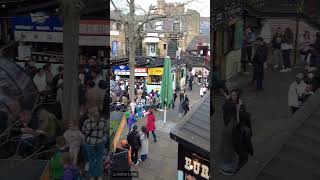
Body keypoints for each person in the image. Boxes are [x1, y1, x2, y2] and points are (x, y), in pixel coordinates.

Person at [81, 107, 107, 180]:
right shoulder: (103, 121)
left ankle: (92, 175)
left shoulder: (86, 122)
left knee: (91, 159)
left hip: (89, 144)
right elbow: (105, 131)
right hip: (100, 143)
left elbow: (83, 132)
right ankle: (99, 176)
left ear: (89, 114)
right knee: (99, 159)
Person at [233, 105, 253, 172]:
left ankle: (237, 167)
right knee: (243, 158)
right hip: (242, 146)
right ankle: (238, 168)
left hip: (238, 146)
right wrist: (251, 151)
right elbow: (248, 142)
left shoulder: (235, 126)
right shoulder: (246, 130)